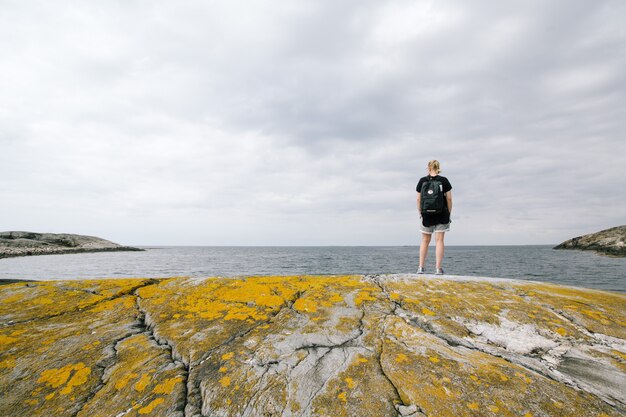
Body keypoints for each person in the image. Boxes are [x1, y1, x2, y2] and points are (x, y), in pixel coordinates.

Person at [416, 160, 452, 275]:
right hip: (442, 214)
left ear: (428, 168)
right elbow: (449, 199)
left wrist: (421, 212)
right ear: (438, 168)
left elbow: (418, 199)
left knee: (425, 241)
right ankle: (438, 269)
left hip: (426, 215)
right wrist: (448, 213)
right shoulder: (444, 180)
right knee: (439, 240)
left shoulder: (422, 181)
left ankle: (421, 268)